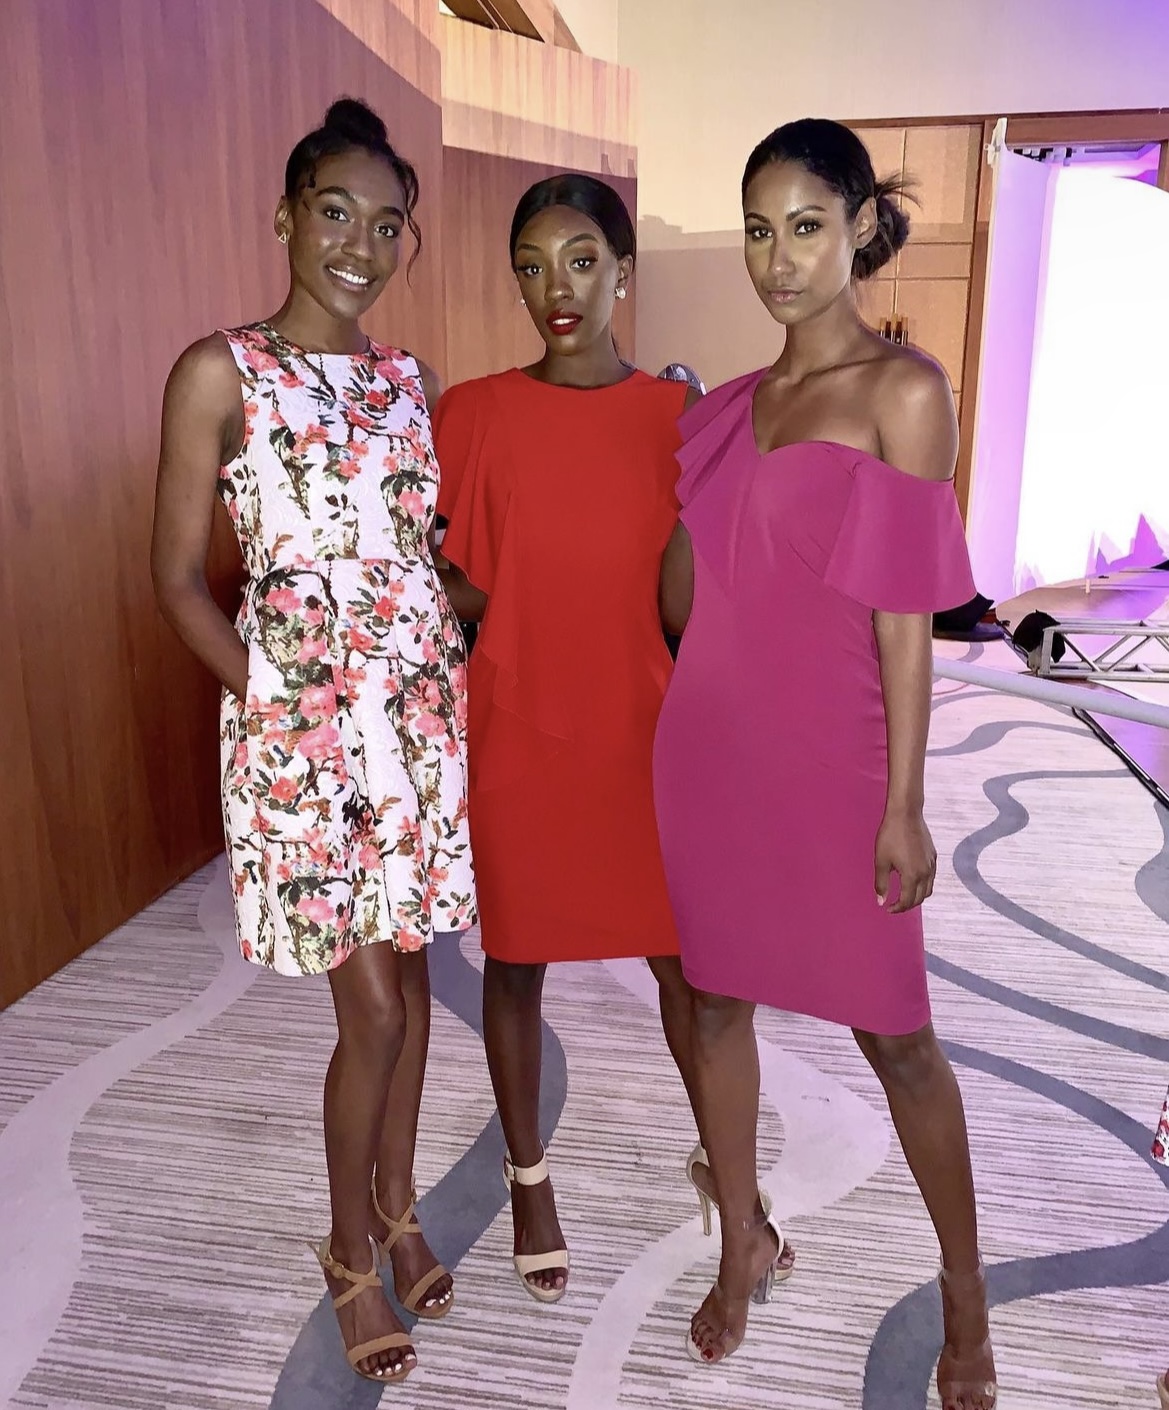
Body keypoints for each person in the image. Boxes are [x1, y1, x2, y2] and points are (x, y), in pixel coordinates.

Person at [654, 118, 997, 1409]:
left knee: (897, 1039)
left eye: (804, 226)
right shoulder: (731, 405)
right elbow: (693, 592)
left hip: (839, 765)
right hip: (708, 755)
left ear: (858, 227)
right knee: (714, 1005)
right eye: (758, 230)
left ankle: (965, 1294)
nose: (778, 258)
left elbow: (906, 620)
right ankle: (740, 1241)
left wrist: (904, 802)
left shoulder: (902, 393)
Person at [151, 98, 475, 1385]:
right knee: (374, 1009)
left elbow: (420, 561)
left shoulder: (411, 384)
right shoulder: (217, 371)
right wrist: (273, 704)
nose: (360, 243)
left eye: (387, 224)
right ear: (285, 216)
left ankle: (397, 1208)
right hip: (300, 733)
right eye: (335, 212)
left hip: (415, 719)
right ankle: (346, 1249)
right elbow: (177, 580)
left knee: (415, 981)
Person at [432, 174, 794, 1302]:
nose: (557, 288)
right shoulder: (474, 413)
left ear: (622, 272)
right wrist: (502, 609)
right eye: (532, 266)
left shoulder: (678, 418)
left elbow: (704, 591)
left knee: (686, 968)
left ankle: (731, 1186)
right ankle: (528, 1180)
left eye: (581, 260)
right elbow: (448, 572)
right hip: (520, 729)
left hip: (647, 734)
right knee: (514, 965)